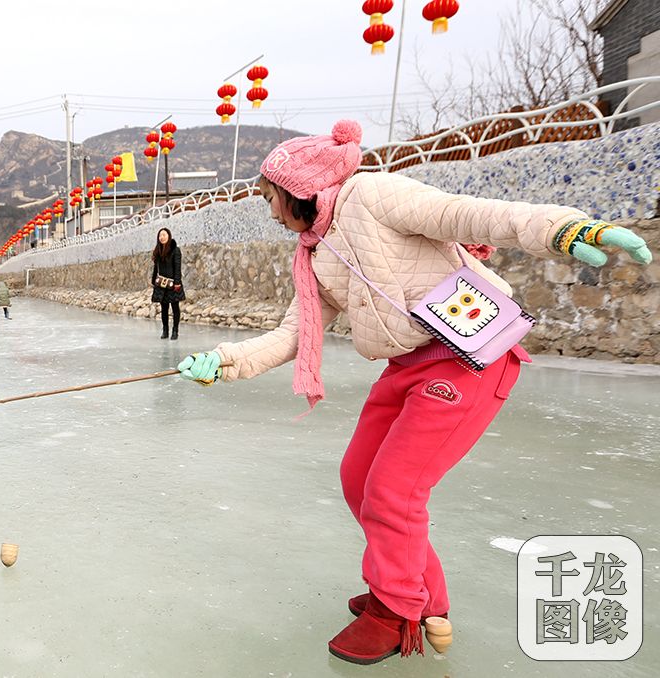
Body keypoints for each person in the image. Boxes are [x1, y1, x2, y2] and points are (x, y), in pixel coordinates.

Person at [176, 120, 652, 664]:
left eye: (270, 197)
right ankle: (424, 596)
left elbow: (469, 214)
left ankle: (397, 608)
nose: (269, 209)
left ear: (298, 190)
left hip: (472, 358)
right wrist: (225, 361)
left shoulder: (374, 195)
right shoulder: (313, 253)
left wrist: (565, 229)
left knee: (394, 490)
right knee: (359, 478)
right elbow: (294, 334)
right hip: (407, 364)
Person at [150, 228, 184, 340]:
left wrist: (177, 282)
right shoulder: (158, 250)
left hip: (173, 284)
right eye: (160, 235)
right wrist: (153, 279)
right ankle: (165, 330)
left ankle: (175, 331)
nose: (162, 237)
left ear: (169, 236)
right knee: (164, 308)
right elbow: (156, 267)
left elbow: (177, 267)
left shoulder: (175, 250)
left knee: (175, 307)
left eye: (164, 235)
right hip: (161, 284)